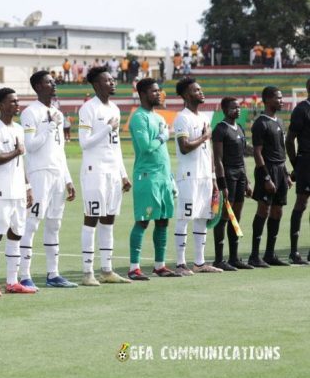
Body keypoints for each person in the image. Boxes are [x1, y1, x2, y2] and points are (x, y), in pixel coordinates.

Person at [19, 70, 77, 289]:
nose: (54, 85)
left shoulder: (58, 113)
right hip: (39, 172)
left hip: (57, 174)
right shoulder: (29, 113)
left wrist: (68, 179)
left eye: (54, 81)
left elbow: (60, 149)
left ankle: (53, 274)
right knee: (32, 223)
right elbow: (30, 146)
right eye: (48, 82)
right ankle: (24, 275)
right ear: (37, 87)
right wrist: (50, 126)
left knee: (55, 223)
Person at [78, 66, 132, 286]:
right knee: (91, 219)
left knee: (109, 219)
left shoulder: (116, 109)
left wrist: (123, 174)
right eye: (108, 80)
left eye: (112, 79)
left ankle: (107, 270)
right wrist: (107, 128)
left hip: (112, 171)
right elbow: (84, 142)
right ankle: (87, 272)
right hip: (94, 171)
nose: (113, 82)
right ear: (97, 84)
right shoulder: (87, 109)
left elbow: (116, 145)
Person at [0, 88, 35, 297]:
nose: (17, 104)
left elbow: (20, 164)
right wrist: (16, 151)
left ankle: (12, 281)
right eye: (13, 102)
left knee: (16, 236)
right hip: (0, 193)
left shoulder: (19, 129)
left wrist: (27, 187)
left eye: (17, 101)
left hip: (17, 193)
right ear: (2, 105)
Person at [127, 78, 177, 280]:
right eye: (154, 91)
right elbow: (147, 147)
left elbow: (162, 153)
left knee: (163, 220)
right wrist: (164, 136)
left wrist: (170, 178)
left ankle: (160, 265)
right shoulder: (139, 118)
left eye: (159, 91)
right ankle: (133, 268)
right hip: (147, 176)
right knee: (143, 220)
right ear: (143, 94)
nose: (158, 94)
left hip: (163, 177)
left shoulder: (158, 117)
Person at [172, 78, 222, 275]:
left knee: (202, 217)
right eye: (196, 90)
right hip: (189, 176)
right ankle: (180, 264)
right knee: (185, 217)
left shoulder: (204, 118)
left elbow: (207, 151)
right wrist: (204, 136)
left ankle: (199, 263)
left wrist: (213, 178)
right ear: (186, 95)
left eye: (201, 89)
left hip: (204, 177)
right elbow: (184, 148)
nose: (201, 92)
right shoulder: (182, 118)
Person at [248, 87, 293, 267]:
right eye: (278, 98)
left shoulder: (280, 122)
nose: (281, 101)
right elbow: (257, 153)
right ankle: (253, 255)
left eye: (282, 98)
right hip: (266, 170)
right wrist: (266, 177)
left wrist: (286, 174)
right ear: (267, 100)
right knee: (263, 210)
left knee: (277, 210)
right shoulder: (260, 123)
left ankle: (269, 254)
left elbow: (281, 150)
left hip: (280, 170)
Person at [212, 98, 254, 270]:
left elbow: (242, 157)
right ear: (224, 110)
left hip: (240, 175)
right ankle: (219, 259)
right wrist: (222, 185)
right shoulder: (220, 129)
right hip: (227, 174)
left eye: (238, 107)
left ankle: (234, 258)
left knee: (236, 215)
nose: (237, 110)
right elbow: (218, 159)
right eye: (233, 108)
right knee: (224, 216)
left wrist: (248, 181)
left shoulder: (240, 128)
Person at [286, 78, 310, 264]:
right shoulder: (302, 109)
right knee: (301, 203)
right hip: (306, 161)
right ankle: (294, 252)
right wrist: (296, 165)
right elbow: (290, 140)